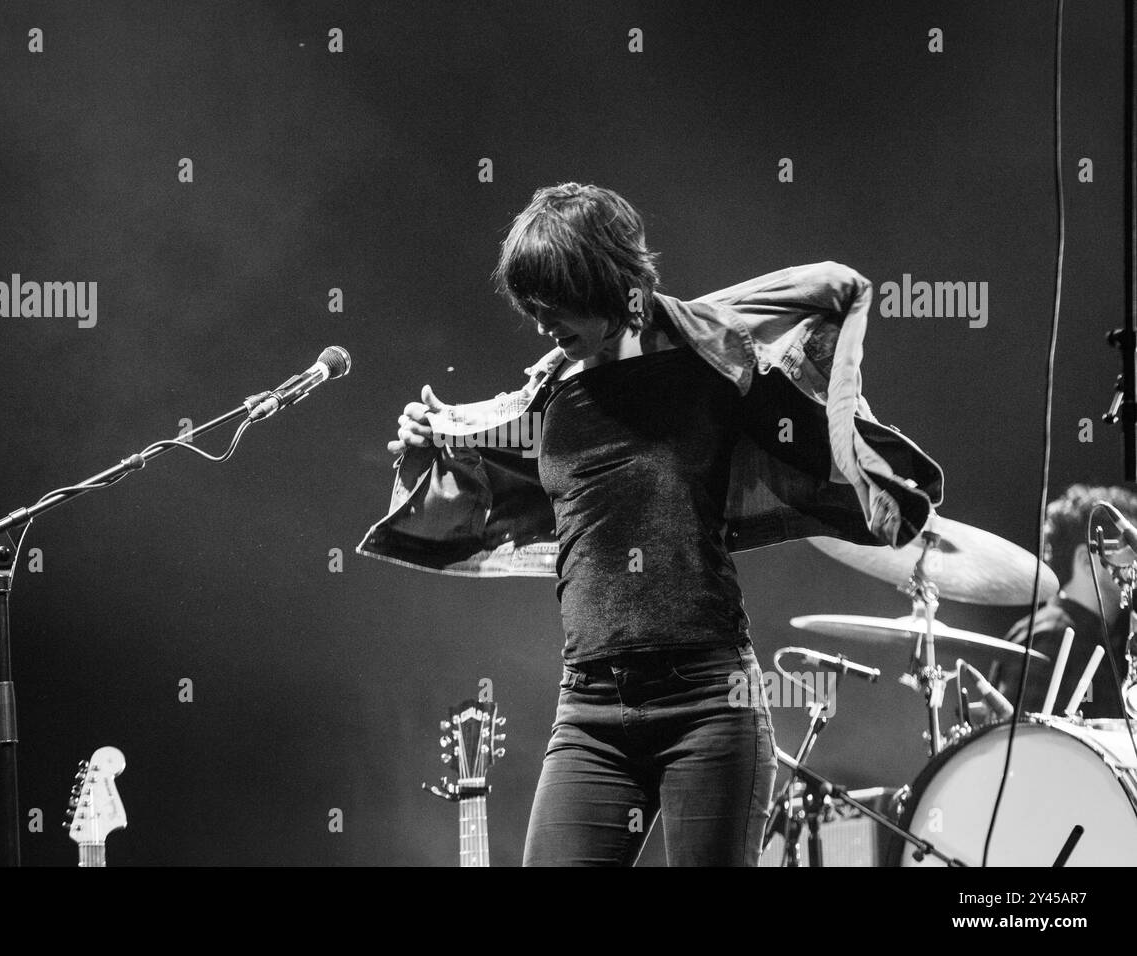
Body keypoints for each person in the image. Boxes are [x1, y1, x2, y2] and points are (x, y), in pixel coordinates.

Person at [360, 182, 942, 865]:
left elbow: (821, 454)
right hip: (589, 712)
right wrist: (432, 446)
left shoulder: (712, 364)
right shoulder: (549, 397)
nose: (542, 321)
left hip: (709, 702)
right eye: (532, 307)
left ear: (606, 282)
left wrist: (787, 397)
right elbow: (483, 497)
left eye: (556, 302)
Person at [993, 483, 1137, 719]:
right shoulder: (1053, 635)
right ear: (1085, 560)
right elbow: (1027, 745)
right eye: (1130, 550)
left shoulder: (1101, 639)